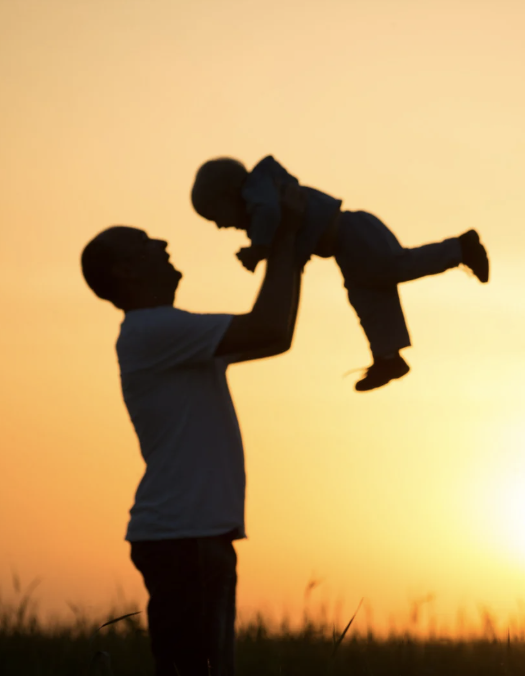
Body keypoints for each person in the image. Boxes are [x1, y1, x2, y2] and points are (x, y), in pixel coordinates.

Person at [79, 187, 305, 676]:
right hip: (186, 539)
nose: (160, 242)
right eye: (142, 243)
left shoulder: (171, 334)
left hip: (192, 537)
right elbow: (268, 329)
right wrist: (287, 236)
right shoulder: (152, 330)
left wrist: (291, 250)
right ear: (124, 271)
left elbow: (276, 334)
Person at [190, 155, 490, 392]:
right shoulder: (262, 195)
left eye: (217, 217)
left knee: (393, 268)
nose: (220, 226)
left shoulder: (259, 193)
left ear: (229, 194)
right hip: (348, 248)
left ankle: (462, 248)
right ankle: (388, 357)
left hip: (353, 233)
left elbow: (270, 215)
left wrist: (259, 248)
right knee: (368, 299)